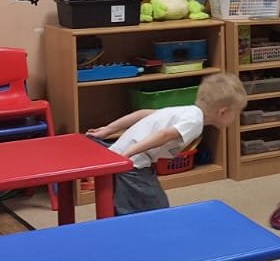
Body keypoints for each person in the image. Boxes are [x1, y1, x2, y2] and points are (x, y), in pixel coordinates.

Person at [87, 73, 246, 213]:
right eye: (236, 113)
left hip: (122, 152)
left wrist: (108, 130)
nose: (236, 117)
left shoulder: (187, 110)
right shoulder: (195, 123)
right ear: (223, 112)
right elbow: (164, 135)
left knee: (127, 199)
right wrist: (128, 154)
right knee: (156, 207)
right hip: (133, 163)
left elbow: (142, 113)